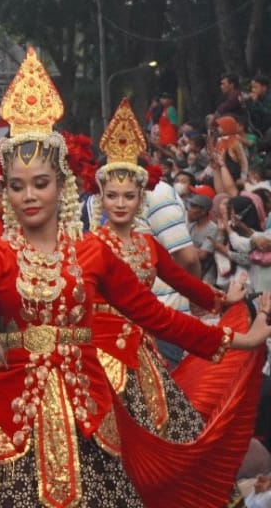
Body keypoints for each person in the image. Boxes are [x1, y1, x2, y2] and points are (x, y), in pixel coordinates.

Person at [0, 48, 271, 507]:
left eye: (40, 183)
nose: (28, 196)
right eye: (16, 186)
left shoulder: (92, 253)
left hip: (91, 411)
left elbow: (156, 315)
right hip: (13, 412)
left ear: (62, 185)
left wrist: (237, 340)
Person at [89, 99, 245, 442]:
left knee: (168, 434)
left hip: (146, 345)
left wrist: (220, 300)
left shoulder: (147, 245)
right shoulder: (89, 247)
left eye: (128, 196)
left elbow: (184, 280)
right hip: (99, 355)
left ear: (140, 200)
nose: (119, 204)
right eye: (112, 196)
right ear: (101, 196)